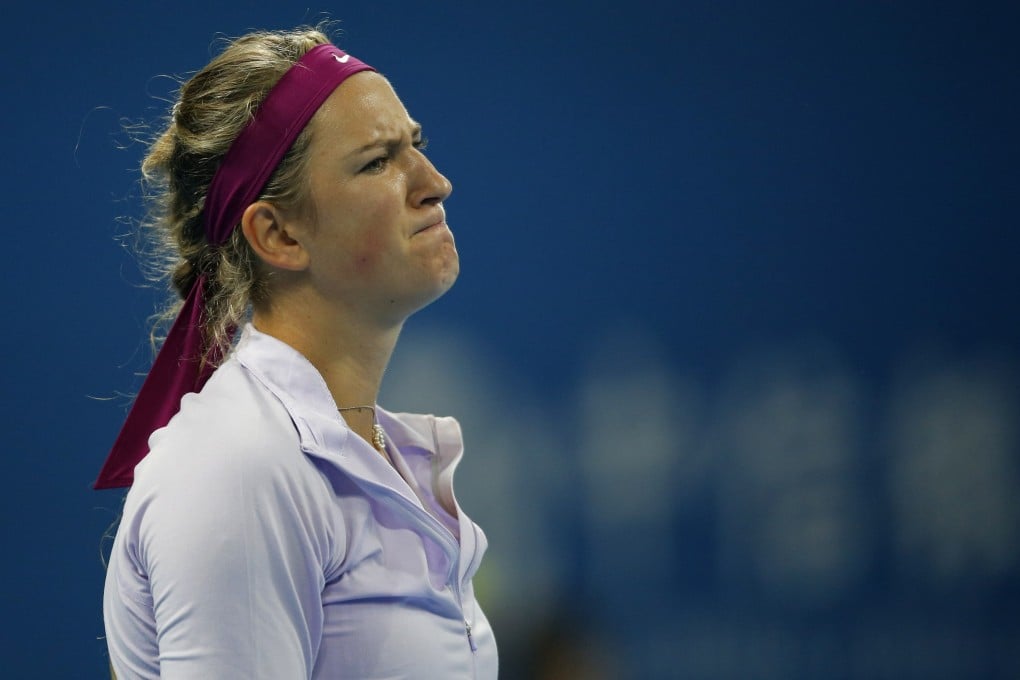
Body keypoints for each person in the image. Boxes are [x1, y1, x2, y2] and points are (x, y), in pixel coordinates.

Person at [97, 26, 497, 679]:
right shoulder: (241, 469)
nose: (434, 182)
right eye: (378, 161)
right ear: (278, 234)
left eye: (416, 146)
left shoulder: (363, 455)